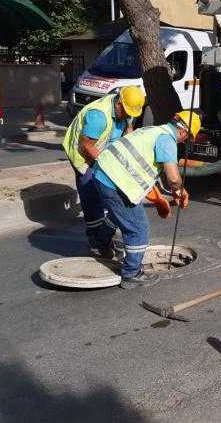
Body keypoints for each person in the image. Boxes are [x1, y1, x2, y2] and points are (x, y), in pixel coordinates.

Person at [93, 111, 201, 289]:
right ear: (183, 132)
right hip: (115, 181)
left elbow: (143, 171)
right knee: (138, 228)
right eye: (187, 138)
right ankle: (131, 273)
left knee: (118, 213)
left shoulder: (153, 130)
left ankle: (100, 244)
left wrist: (158, 198)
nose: (184, 141)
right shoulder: (167, 140)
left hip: (101, 172)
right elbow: (173, 178)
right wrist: (179, 189)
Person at [62, 86, 145, 259]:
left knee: (104, 191)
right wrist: (107, 167)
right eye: (127, 111)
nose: (130, 115)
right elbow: (86, 146)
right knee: (91, 193)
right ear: (119, 104)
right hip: (83, 155)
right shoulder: (98, 116)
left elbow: (127, 130)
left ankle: (103, 234)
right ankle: (95, 239)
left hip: (102, 148)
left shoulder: (125, 109)